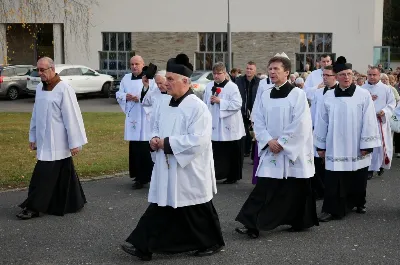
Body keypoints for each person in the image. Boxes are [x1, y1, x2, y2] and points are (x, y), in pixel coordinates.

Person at [121, 54, 224, 261]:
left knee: (197, 207)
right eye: (166, 79)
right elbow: (155, 127)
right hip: (167, 165)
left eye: (170, 79)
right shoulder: (164, 103)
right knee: (163, 206)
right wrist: (154, 140)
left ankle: (212, 242)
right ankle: (144, 245)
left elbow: (199, 140)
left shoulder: (197, 107)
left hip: (189, 168)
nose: (165, 83)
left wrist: (166, 144)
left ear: (185, 81)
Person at [235, 53, 318, 238]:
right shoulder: (265, 94)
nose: (272, 72)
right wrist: (267, 140)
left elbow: (301, 123)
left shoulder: (298, 94)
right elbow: (257, 119)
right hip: (271, 148)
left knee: (297, 187)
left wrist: (282, 143)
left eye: (276, 69)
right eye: (270, 69)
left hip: (291, 150)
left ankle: (300, 221)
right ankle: (252, 223)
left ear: (286, 72)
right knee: (264, 187)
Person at [17, 57, 87, 220]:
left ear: (52, 69)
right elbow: (36, 115)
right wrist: (33, 136)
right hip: (44, 140)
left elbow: (72, 117)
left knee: (42, 176)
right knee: (65, 172)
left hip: (59, 141)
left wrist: (75, 142)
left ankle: (33, 207)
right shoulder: (41, 89)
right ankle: (74, 201)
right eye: (38, 70)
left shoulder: (64, 88)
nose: (39, 73)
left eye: (43, 70)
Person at [315, 58, 381, 222]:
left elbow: (369, 120)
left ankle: (358, 202)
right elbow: (322, 121)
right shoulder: (328, 96)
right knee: (333, 178)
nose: (346, 77)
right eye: (343, 74)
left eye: (349, 74)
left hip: (356, 144)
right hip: (335, 145)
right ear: (336, 77)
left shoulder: (363, 94)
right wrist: (320, 145)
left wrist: (367, 144)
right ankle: (331, 209)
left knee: (358, 175)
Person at [116, 56, 155, 189]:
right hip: (133, 115)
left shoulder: (149, 79)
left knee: (145, 147)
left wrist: (141, 97)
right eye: (132, 64)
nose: (134, 66)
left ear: (143, 64)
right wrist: (125, 96)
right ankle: (137, 175)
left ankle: (146, 177)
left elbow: (154, 96)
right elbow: (118, 93)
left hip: (145, 117)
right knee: (135, 147)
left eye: (137, 64)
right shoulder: (126, 78)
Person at [203, 62, 246, 184]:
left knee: (230, 152)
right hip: (214, 122)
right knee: (215, 151)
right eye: (214, 73)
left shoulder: (232, 87)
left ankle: (232, 176)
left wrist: (220, 101)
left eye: (219, 73)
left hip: (229, 123)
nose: (216, 76)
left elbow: (238, 104)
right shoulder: (208, 86)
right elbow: (204, 102)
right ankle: (214, 174)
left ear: (225, 73)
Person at [309, 65, 337, 200]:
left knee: (330, 162)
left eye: (328, 76)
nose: (324, 78)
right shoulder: (319, 92)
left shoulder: (339, 92)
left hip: (333, 132)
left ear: (335, 77)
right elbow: (313, 111)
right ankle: (319, 190)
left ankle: (330, 190)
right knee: (317, 161)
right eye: (323, 75)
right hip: (317, 130)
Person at [362, 67, 395, 178]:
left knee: (380, 145)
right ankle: (370, 169)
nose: (372, 77)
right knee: (369, 144)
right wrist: (368, 98)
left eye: (374, 75)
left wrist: (384, 111)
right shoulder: (362, 89)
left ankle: (381, 165)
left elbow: (391, 103)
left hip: (381, 122)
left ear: (379, 75)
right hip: (367, 122)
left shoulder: (386, 89)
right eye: (370, 74)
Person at [235, 61, 261, 157]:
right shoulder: (239, 81)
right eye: (247, 68)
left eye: (251, 69)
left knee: (254, 133)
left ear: (255, 71)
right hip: (242, 110)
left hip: (254, 111)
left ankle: (254, 155)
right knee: (244, 132)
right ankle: (244, 151)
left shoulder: (259, 82)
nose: (249, 70)